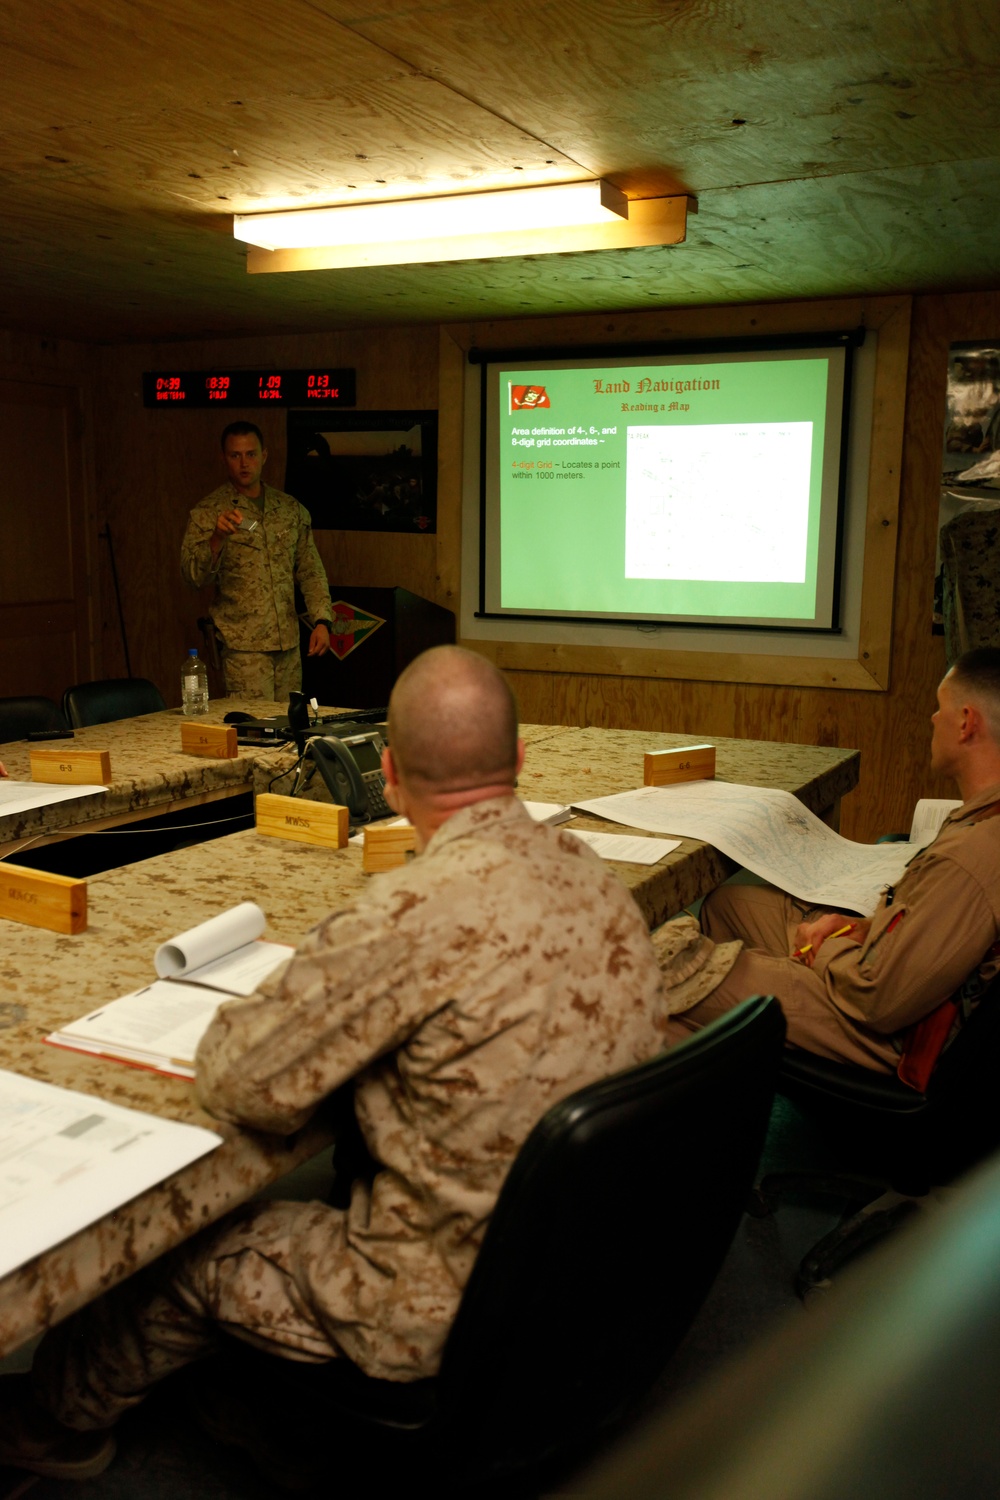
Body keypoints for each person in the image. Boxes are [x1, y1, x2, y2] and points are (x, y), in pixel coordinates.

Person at [0, 646, 671, 1481]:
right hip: (589, 1273)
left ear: (386, 774)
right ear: (521, 762)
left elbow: (239, 1080)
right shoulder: (592, 874)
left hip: (435, 1314)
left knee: (184, 1242)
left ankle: (56, 1424)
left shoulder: (411, 913)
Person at [663, 648, 1000, 1085]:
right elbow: (929, 928)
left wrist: (822, 950)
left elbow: (878, 1000)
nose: (934, 719)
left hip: (882, 1029)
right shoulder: (981, 818)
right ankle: (741, 1052)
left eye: (941, 708)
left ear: (966, 722)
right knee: (732, 904)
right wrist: (860, 929)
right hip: (888, 973)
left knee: (665, 969)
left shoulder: (971, 858)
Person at [180, 421, 334, 700]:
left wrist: (322, 620)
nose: (244, 463)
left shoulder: (289, 510)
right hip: (244, 649)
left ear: (264, 456)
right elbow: (192, 577)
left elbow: (311, 570)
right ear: (223, 458)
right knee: (253, 732)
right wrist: (216, 538)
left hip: (288, 646)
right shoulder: (208, 512)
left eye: (251, 454)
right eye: (235, 455)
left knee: (290, 726)